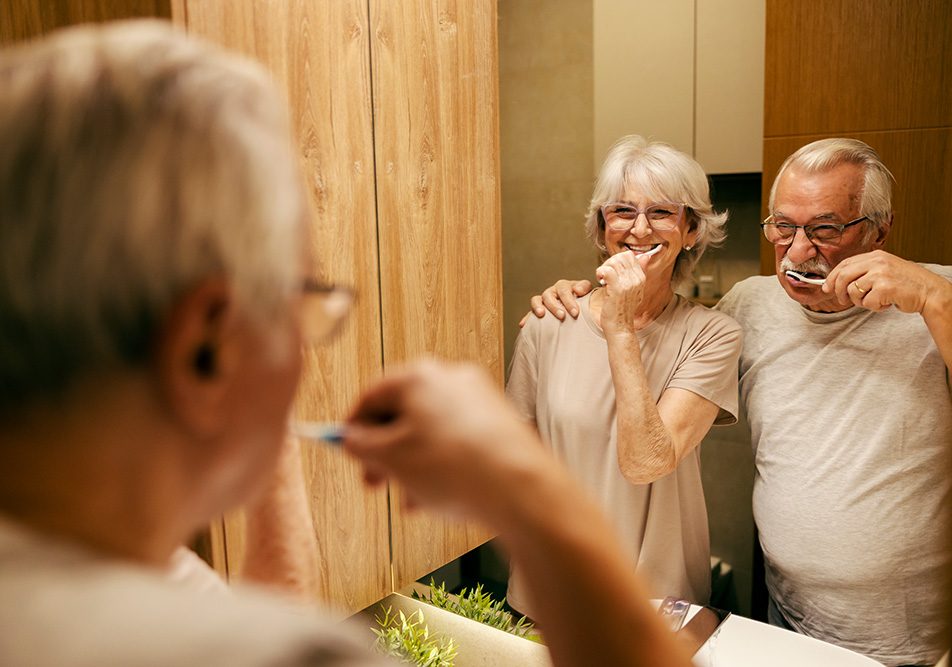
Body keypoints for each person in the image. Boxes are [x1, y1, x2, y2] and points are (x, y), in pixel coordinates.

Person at [0, 21, 695, 667]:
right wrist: (525, 495)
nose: (305, 352)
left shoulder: (148, 583)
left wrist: (254, 408)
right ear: (201, 345)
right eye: (304, 299)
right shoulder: (255, 649)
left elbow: (263, 615)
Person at [525, 137, 952, 666]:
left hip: (914, 638)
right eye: (783, 228)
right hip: (787, 616)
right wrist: (576, 300)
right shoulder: (750, 305)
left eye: (824, 230)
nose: (798, 252)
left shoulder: (938, 297)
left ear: (879, 229)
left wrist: (936, 298)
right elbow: (662, 321)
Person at [505, 135, 742, 618]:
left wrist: (620, 327)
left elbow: (646, 463)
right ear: (602, 228)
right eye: (622, 211)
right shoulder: (549, 323)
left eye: (661, 212)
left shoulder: (713, 336)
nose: (639, 228)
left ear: (691, 229)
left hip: (657, 604)